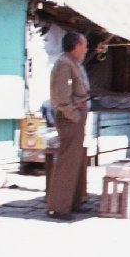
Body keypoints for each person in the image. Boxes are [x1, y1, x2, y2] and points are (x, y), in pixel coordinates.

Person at [46, 31, 90, 221]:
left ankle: (72, 202)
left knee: (75, 162)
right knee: (66, 163)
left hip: (75, 119)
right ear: (76, 46)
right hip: (69, 120)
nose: (86, 49)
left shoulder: (73, 64)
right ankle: (58, 208)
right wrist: (74, 115)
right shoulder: (64, 64)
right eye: (84, 45)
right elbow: (60, 98)